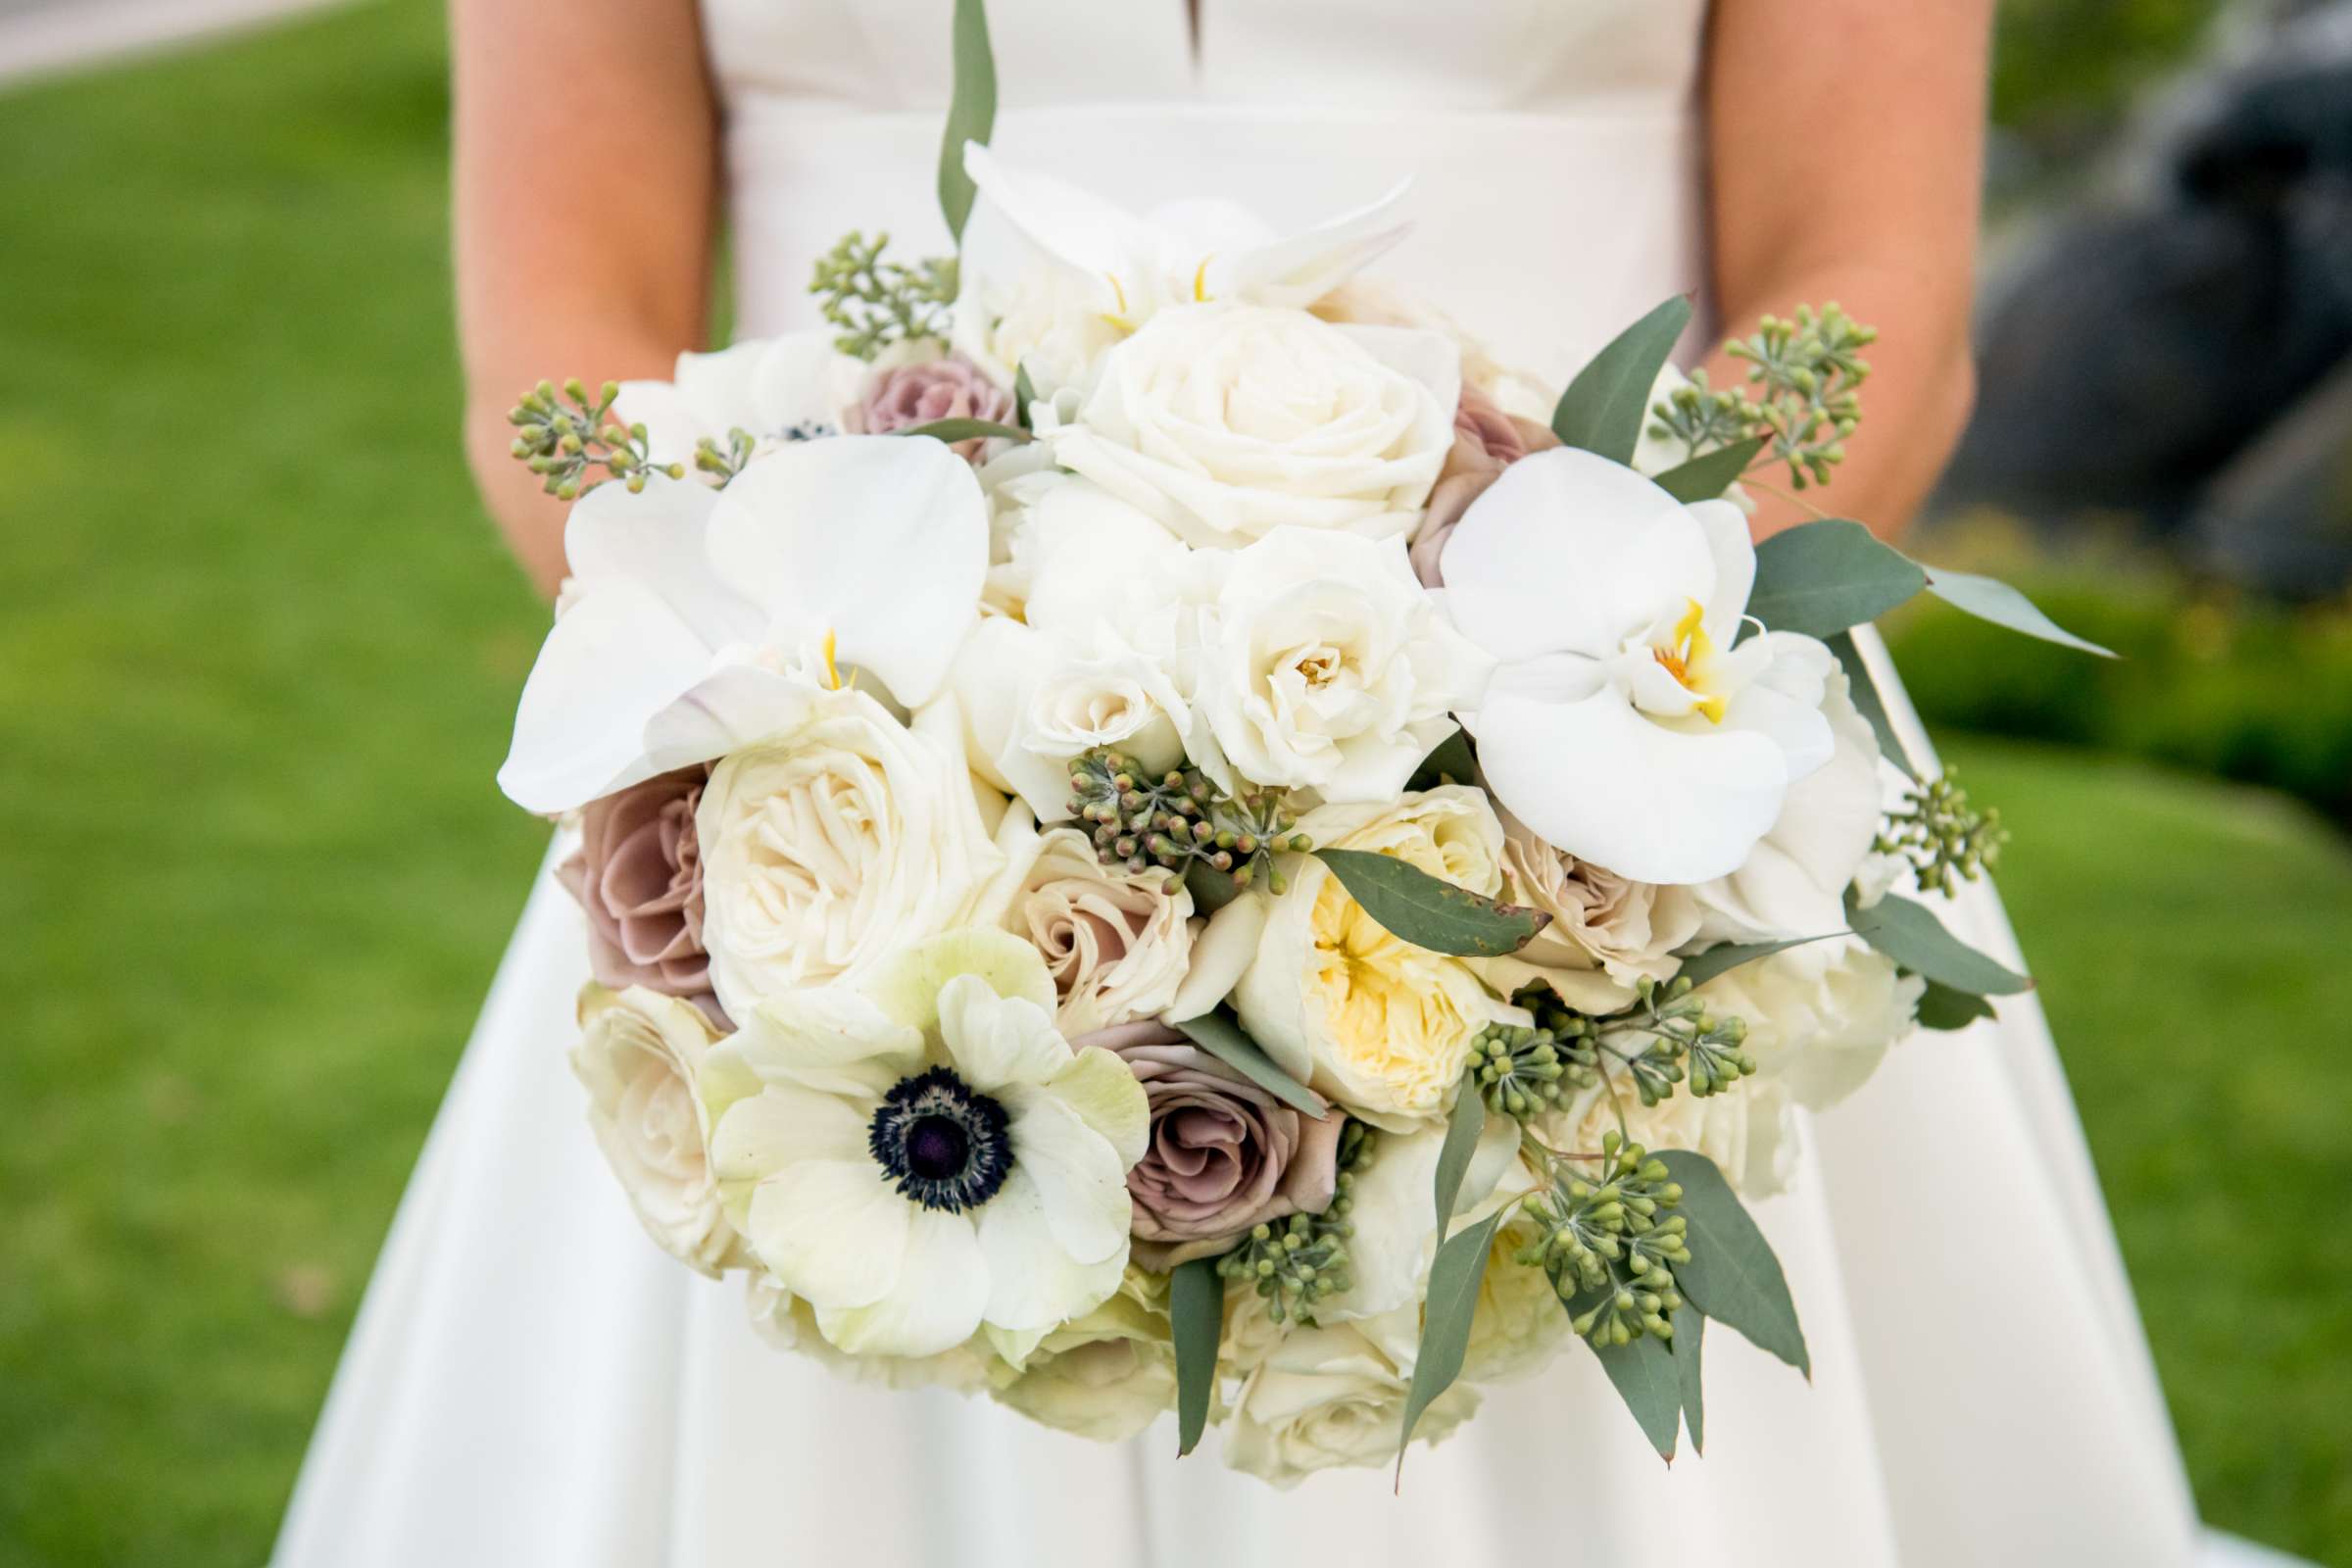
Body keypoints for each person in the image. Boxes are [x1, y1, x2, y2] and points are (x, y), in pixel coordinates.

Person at [271, 2, 2255, 1563]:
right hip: (836, 799)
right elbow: (559, 337)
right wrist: (899, 793)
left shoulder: (1588, 803)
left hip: (1626, 798)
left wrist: (1519, 786)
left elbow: (1864, 294)